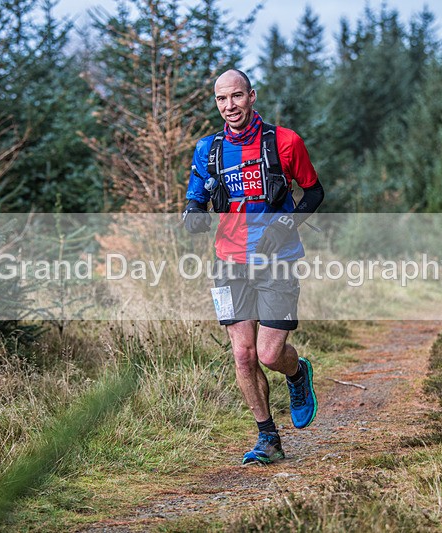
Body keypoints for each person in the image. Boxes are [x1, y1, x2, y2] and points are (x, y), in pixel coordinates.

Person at [182, 69, 325, 464]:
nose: (230, 106)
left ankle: (296, 373)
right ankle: (268, 439)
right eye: (221, 99)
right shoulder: (207, 150)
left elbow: (314, 192)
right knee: (242, 355)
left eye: (237, 97)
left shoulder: (285, 142)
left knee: (267, 353)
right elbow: (196, 196)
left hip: (277, 261)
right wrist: (193, 213)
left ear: (252, 96)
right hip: (228, 264)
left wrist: (286, 225)